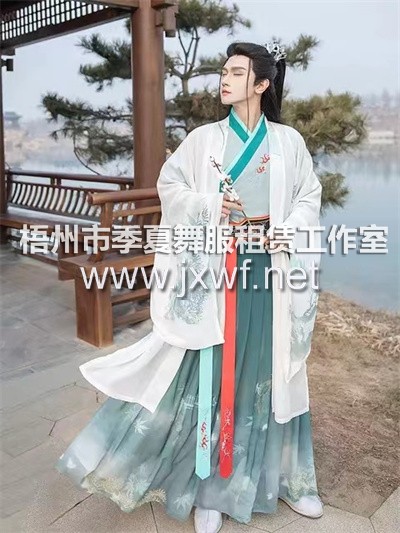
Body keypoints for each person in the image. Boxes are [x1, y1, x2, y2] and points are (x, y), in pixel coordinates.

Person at [55, 41, 324, 533]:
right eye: (223, 71)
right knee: (212, 369)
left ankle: (288, 478)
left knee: (268, 367)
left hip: (269, 269)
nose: (224, 79)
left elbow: (309, 196)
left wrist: (287, 228)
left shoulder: (288, 142)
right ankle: (208, 486)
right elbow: (171, 186)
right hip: (215, 267)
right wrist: (208, 206)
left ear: (262, 84)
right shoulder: (204, 140)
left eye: (236, 72)